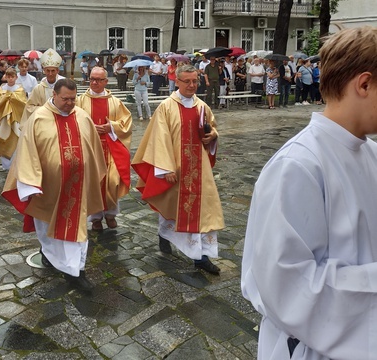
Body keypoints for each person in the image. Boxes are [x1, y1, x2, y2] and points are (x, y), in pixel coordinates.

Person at [241, 26, 377, 360]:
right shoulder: (299, 165)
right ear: (364, 84)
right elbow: (288, 288)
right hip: (315, 347)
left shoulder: (371, 152)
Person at [2, 79, 106, 292]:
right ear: (54, 95)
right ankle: (54, 258)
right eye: (65, 99)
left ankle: (76, 271)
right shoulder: (38, 119)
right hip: (49, 189)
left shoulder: (82, 116)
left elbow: (94, 149)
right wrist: (31, 185)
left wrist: (93, 174)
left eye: (73, 98)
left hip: (77, 187)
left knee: (77, 230)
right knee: (49, 229)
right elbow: (27, 153)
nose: (70, 103)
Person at [132, 64, 224, 274]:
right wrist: (165, 169)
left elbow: (211, 127)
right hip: (176, 168)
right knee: (172, 207)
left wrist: (214, 136)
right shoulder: (166, 107)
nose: (192, 85)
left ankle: (201, 258)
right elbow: (159, 138)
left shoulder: (202, 106)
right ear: (177, 81)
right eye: (187, 81)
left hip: (199, 170)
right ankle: (164, 235)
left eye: (195, 81)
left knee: (202, 211)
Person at [76, 67, 132, 231]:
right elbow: (73, 120)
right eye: (92, 78)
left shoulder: (115, 102)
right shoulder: (80, 101)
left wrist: (111, 127)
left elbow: (126, 123)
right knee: (93, 183)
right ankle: (95, 218)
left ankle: (110, 214)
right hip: (89, 149)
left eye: (99, 80)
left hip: (111, 148)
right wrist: (89, 127)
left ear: (106, 81)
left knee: (112, 182)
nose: (95, 82)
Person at [0, 67, 27, 169]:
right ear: (5, 77)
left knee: (17, 139)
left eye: (12, 77)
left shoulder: (19, 89)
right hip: (4, 120)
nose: (10, 79)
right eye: (8, 77)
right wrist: (5, 98)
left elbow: (23, 103)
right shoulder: (2, 89)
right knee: (4, 138)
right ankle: (6, 165)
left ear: (16, 77)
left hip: (16, 119)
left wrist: (13, 98)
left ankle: (17, 164)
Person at [21, 48, 63, 124]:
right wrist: (45, 109)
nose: (50, 74)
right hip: (43, 122)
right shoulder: (38, 88)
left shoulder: (63, 86)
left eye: (53, 71)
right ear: (44, 70)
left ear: (57, 70)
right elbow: (29, 107)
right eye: (48, 70)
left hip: (61, 120)